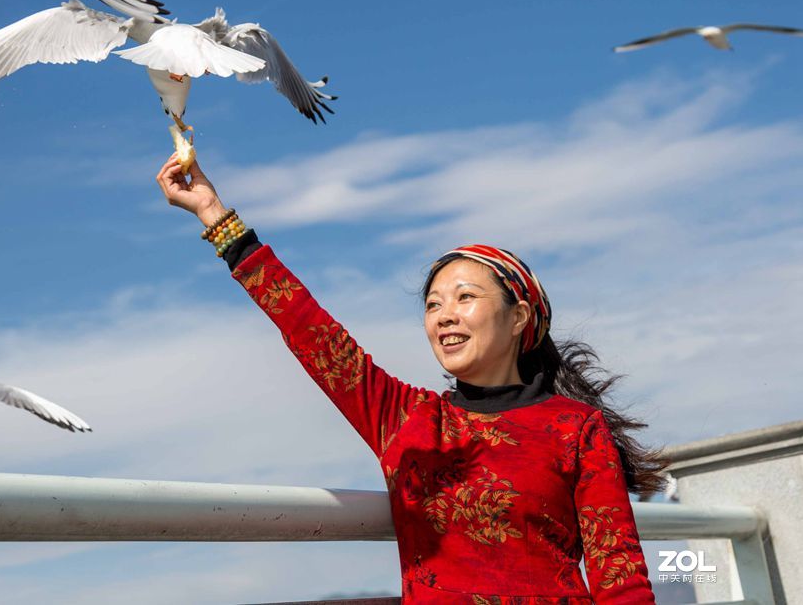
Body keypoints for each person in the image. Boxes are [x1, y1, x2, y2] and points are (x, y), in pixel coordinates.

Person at [156, 153, 667, 603]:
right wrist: (215, 216)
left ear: (519, 318)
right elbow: (310, 331)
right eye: (433, 305)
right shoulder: (405, 418)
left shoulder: (575, 428)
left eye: (465, 298)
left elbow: (619, 576)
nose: (444, 315)